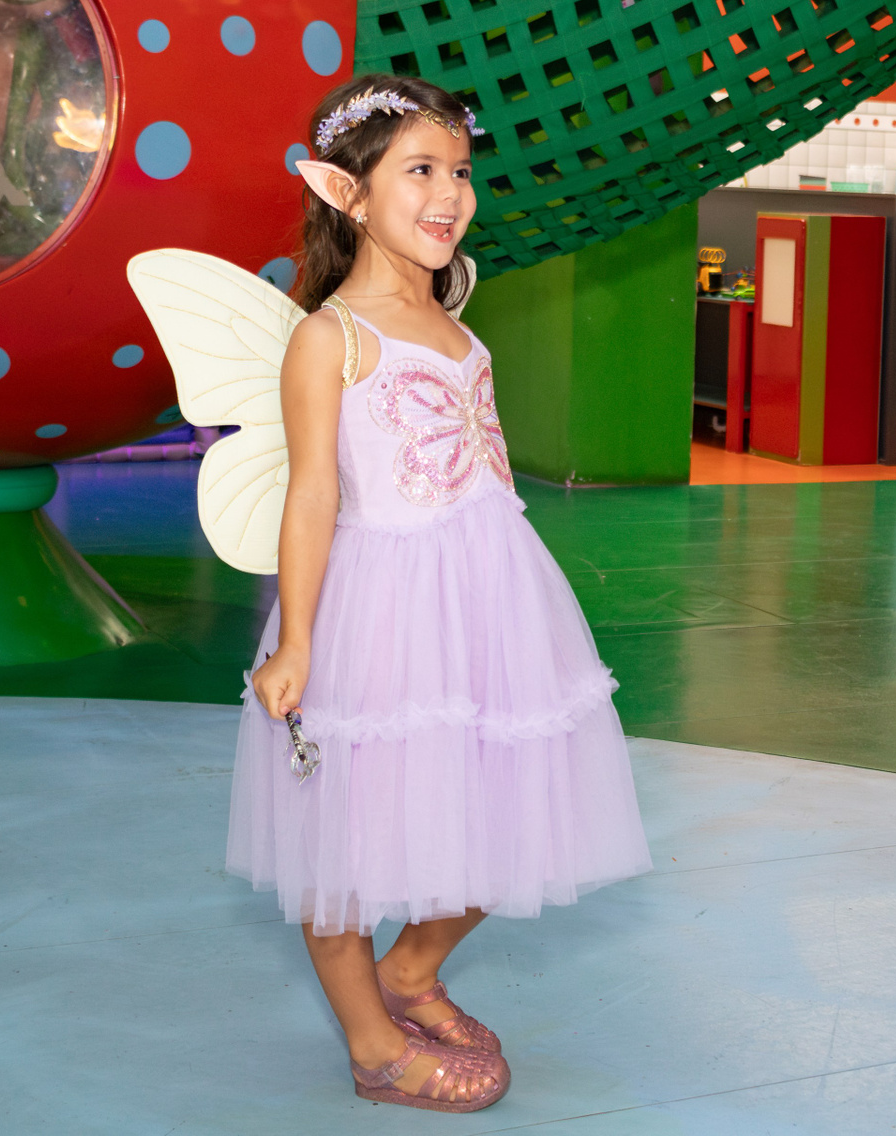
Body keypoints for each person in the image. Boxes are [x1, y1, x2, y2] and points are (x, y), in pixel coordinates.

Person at [226, 74, 651, 1113]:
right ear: (348, 192)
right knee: (341, 840)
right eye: (420, 170)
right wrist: (296, 641)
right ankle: (374, 1044)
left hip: (490, 601)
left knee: (513, 807)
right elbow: (313, 494)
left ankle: (411, 970)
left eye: (460, 170)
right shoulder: (330, 336)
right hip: (380, 609)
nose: (450, 193)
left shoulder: (454, 314)